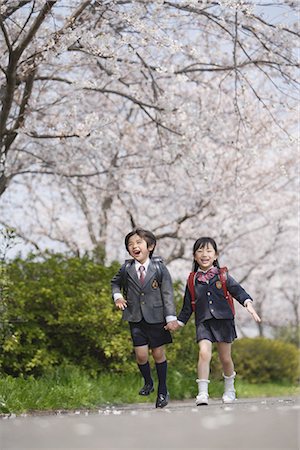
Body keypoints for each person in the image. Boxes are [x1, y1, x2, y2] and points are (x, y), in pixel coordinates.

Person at [175, 237, 261, 406]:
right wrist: (178, 323)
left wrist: (248, 304)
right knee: (204, 353)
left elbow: (238, 291)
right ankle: (202, 394)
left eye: (208, 251)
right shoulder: (193, 280)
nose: (204, 254)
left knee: (225, 358)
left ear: (215, 255)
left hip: (224, 321)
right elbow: (187, 306)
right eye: (200, 251)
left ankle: (230, 390)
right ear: (194, 256)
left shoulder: (223, 276)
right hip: (204, 322)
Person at [111, 228, 178, 408]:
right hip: (135, 317)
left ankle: (162, 390)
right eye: (130, 244)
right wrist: (117, 296)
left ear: (150, 246)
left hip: (157, 318)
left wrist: (171, 317)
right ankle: (148, 381)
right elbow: (115, 283)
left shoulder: (159, 267)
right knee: (141, 356)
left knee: (158, 354)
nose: (134, 246)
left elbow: (168, 293)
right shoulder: (126, 268)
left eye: (138, 243)